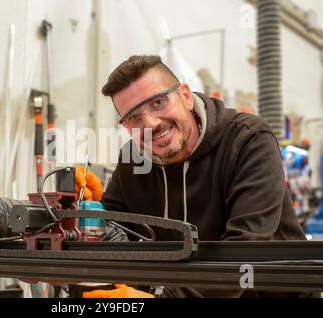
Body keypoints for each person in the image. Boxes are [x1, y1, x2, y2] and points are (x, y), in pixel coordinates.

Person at [79, 55, 307, 298]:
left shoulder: (248, 141)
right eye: (134, 117)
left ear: (185, 96)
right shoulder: (133, 159)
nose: (151, 123)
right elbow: (111, 233)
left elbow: (244, 252)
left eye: (158, 102)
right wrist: (82, 210)